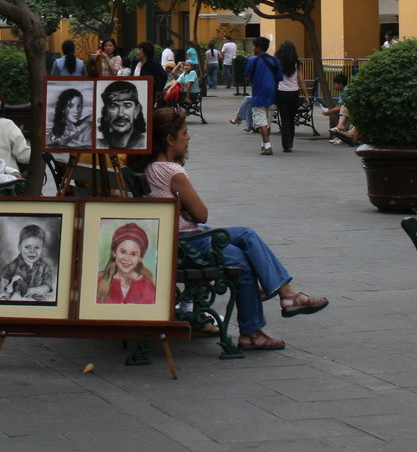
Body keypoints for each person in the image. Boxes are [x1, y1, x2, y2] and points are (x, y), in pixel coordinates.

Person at [141, 107, 328, 351]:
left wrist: (184, 208)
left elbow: (191, 212)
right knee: (242, 262)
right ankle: (256, 328)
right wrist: (187, 209)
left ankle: (285, 294)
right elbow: (201, 214)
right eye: (185, 133)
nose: (188, 138)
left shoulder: (151, 167)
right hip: (189, 243)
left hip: (179, 238)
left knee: (247, 235)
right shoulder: (171, 171)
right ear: (169, 139)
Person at [96, 221, 156, 304]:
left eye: (133, 254)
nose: (127, 258)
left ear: (140, 258)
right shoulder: (99, 282)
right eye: (123, 252)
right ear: (114, 253)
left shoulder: (147, 286)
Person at [0, 224, 56, 302]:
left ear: (42, 249)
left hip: (36, 300)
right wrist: (7, 290)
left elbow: (47, 287)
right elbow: (4, 277)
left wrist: (32, 291)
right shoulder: (14, 265)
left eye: (37, 247)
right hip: (16, 299)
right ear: (19, 248)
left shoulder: (45, 267)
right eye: (27, 247)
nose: (32, 251)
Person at [245, 36, 282, 155]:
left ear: (259, 48)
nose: (253, 49)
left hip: (259, 94)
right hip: (272, 93)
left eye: (254, 47)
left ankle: (267, 145)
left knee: (261, 121)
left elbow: (247, 77)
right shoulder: (275, 60)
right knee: (268, 121)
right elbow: (279, 78)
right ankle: (264, 143)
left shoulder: (252, 60)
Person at [98, 80, 147, 150]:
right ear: (106, 112)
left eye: (127, 106)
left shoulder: (144, 143)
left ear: (136, 111)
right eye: (113, 106)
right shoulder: (99, 144)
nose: (120, 114)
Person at [273, 40, 303, 153]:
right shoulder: (296, 63)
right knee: (291, 118)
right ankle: (290, 142)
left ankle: (286, 144)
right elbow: (301, 80)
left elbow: (275, 78)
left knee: (284, 119)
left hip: (281, 92)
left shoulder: (277, 62)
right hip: (294, 92)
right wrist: (306, 95)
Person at [327, 73, 353, 144]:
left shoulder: (347, 90)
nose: (334, 86)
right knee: (344, 110)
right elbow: (339, 105)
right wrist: (329, 111)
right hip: (348, 110)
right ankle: (342, 135)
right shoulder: (341, 91)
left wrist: (328, 112)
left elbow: (341, 106)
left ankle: (340, 127)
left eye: (335, 84)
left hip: (352, 108)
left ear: (341, 84)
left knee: (344, 108)